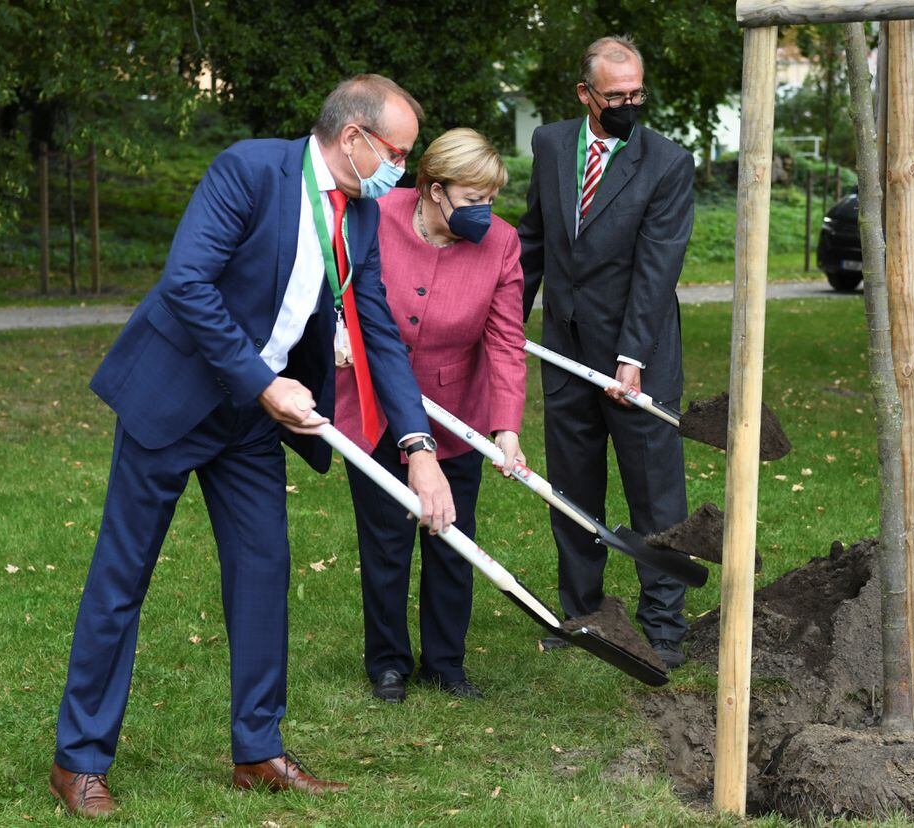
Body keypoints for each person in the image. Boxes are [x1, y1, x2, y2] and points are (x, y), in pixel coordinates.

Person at [49, 75, 456, 817]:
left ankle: (257, 750)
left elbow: (378, 333)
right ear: (355, 139)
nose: (404, 169)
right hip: (172, 399)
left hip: (250, 426)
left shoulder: (358, 215)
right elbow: (187, 283)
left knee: (264, 574)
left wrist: (419, 445)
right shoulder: (249, 170)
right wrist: (264, 385)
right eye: (398, 152)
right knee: (122, 577)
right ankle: (78, 759)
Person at [517, 36, 695, 669]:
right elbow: (533, 240)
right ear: (584, 94)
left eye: (636, 94)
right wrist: (506, 326)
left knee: (655, 492)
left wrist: (632, 357)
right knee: (572, 486)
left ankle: (664, 621)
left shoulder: (667, 163)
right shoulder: (550, 145)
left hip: (636, 351)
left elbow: (657, 269)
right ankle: (583, 613)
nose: (627, 104)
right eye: (615, 95)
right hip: (565, 347)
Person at [339, 128, 526, 703]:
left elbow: (505, 342)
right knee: (386, 540)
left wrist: (507, 428)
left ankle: (446, 663)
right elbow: (333, 287)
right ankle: (388, 662)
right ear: (433, 190)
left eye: (490, 200)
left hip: (455, 414)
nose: (484, 213)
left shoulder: (502, 244)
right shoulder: (373, 217)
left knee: (451, 539)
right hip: (374, 410)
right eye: (473, 200)